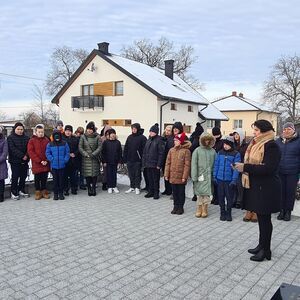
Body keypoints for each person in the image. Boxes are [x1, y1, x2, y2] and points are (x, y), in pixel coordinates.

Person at [233, 120, 281, 262]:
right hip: (257, 186)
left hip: (267, 188)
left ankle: (266, 251)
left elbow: (268, 168)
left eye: (257, 130)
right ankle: (261, 245)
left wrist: (245, 167)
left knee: (265, 219)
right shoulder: (255, 143)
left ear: (265, 131)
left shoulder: (271, 145)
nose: (254, 132)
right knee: (261, 218)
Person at [276, 122, 300, 221]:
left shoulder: (298, 141)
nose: (286, 131)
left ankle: (288, 212)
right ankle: (281, 210)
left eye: (289, 129)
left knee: (290, 192)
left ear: (293, 130)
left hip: (293, 171)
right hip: (280, 171)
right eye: (285, 129)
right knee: (281, 192)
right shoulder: (278, 141)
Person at [213, 136, 241, 221]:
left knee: (229, 197)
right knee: (221, 196)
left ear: (231, 145)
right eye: (224, 144)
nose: (225, 146)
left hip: (229, 180)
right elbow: (216, 165)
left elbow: (236, 168)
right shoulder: (220, 153)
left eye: (227, 144)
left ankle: (228, 212)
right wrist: (214, 176)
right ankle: (222, 212)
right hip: (220, 179)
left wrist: (234, 180)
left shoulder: (236, 154)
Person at [164, 132, 191, 215]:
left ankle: (180, 207)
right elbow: (167, 163)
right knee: (174, 192)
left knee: (181, 192)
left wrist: (184, 176)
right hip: (172, 175)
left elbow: (187, 165)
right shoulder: (171, 150)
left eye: (176, 140)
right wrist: (166, 174)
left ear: (181, 141)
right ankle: (175, 206)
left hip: (181, 176)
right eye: (174, 140)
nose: (174, 142)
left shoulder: (186, 151)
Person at [191, 133, 216, 218]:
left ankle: (205, 208)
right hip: (200, 175)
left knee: (207, 194)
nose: (207, 141)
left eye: (208, 140)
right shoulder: (197, 150)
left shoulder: (213, 151)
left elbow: (216, 164)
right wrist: (194, 176)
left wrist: (214, 175)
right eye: (205, 140)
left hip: (209, 176)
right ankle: (199, 208)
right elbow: (194, 164)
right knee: (199, 193)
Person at [7, 122, 30, 200]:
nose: (20, 131)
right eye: (18, 129)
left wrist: (26, 155)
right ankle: (14, 191)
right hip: (15, 161)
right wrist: (22, 156)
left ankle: (21, 189)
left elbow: (29, 148)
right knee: (15, 176)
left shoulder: (27, 138)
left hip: (25, 160)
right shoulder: (10, 137)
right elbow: (12, 149)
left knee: (23, 176)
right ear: (15, 129)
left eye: (21, 129)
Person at [27, 124, 50, 200]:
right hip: (37, 163)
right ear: (36, 132)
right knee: (37, 178)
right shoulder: (32, 140)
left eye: (42, 132)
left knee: (44, 178)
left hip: (45, 163)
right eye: (39, 132)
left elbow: (49, 151)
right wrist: (39, 161)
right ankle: (37, 191)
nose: (41, 133)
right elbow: (31, 152)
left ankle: (44, 191)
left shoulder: (46, 140)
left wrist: (46, 160)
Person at [79, 121, 102, 196]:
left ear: (93, 130)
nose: (89, 130)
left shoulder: (97, 137)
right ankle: (89, 188)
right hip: (86, 159)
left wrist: (93, 154)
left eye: (91, 129)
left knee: (94, 175)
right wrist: (86, 154)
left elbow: (100, 147)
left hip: (94, 158)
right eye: (88, 129)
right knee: (87, 175)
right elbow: (80, 147)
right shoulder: (83, 137)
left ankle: (94, 189)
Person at [142, 123, 165, 200]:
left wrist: (159, 164)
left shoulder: (159, 140)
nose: (151, 133)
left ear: (156, 132)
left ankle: (156, 193)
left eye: (152, 132)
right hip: (148, 163)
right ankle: (150, 192)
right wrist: (144, 162)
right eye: (150, 131)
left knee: (155, 179)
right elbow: (145, 152)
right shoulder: (148, 140)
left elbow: (161, 153)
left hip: (155, 164)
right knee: (149, 178)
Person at [123, 123, 147, 195]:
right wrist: (125, 158)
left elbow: (145, 150)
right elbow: (126, 148)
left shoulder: (142, 138)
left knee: (137, 174)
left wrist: (142, 159)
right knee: (131, 174)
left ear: (138, 129)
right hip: (130, 159)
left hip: (138, 160)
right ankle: (132, 187)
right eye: (132, 129)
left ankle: (137, 187)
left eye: (135, 129)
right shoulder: (129, 137)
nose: (133, 130)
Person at [46, 130, 70, 200]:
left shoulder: (64, 143)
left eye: (58, 135)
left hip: (62, 165)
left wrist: (65, 160)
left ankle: (61, 193)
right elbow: (47, 153)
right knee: (55, 180)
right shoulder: (50, 144)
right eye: (55, 135)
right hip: (54, 166)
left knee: (61, 180)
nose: (57, 137)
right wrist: (51, 159)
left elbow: (67, 152)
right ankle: (55, 193)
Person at [101, 128, 122, 194]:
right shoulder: (106, 142)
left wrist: (119, 161)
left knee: (114, 174)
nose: (113, 135)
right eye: (111, 134)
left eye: (114, 134)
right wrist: (104, 161)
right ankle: (110, 187)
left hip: (115, 161)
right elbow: (103, 153)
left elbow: (120, 152)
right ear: (109, 135)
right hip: (108, 162)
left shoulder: (117, 142)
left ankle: (114, 186)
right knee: (109, 174)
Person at [232, 129, 249, 210]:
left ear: (241, 136)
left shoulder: (245, 146)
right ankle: (234, 200)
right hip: (233, 167)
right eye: (234, 134)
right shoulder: (233, 145)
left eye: (237, 134)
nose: (235, 136)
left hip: (241, 167)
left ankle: (239, 201)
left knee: (240, 185)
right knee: (234, 184)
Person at [63, 125, 80, 196]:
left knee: (74, 176)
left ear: (71, 132)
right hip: (65, 160)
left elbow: (79, 148)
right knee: (65, 176)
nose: (68, 132)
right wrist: (68, 154)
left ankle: (74, 189)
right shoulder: (62, 139)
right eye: (66, 130)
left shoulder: (75, 139)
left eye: (69, 131)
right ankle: (66, 189)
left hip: (74, 160)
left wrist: (75, 154)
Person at [211, 126, 223, 205]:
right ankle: (214, 197)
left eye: (217, 135)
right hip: (213, 164)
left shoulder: (221, 142)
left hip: (219, 164)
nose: (215, 137)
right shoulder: (212, 142)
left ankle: (218, 199)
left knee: (218, 183)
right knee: (214, 182)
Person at [161, 125, 174, 196]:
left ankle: (171, 190)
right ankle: (167, 189)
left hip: (170, 160)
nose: (167, 131)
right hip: (163, 159)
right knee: (165, 175)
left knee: (170, 175)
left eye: (169, 130)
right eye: (166, 130)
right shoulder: (163, 138)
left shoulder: (172, 139)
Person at [100, 124, 112, 191]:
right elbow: (101, 150)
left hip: (112, 158)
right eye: (106, 132)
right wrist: (103, 160)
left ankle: (111, 183)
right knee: (105, 172)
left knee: (111, 172)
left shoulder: (114, 138)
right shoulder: (102, 139)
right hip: (105, 158)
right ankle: (104, 184)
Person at [0, 126, 8, 202]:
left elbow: (5, 153)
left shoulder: (4, 141)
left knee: (1, 181)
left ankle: (1, 196)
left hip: (1, 164)